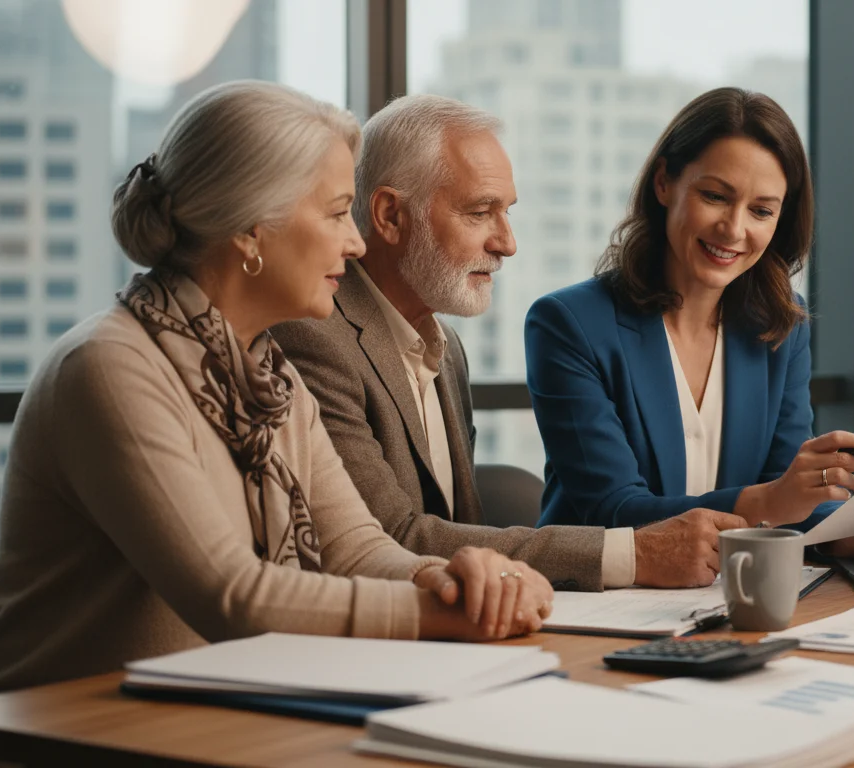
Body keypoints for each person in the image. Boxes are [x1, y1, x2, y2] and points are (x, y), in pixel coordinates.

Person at [0, 82, 551, 698]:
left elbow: (354, 550)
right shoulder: (109, 367)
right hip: (43, 736)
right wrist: (440, 612)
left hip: (197, 719)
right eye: (334, 212)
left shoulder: (269, 377)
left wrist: (467, 582)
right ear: (249, 230)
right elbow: (233, 595)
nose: (354, 241)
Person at [274, 94, 744, 592]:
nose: (507, 242)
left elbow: (460, 538)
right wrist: (634, 553)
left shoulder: (446, 348)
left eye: (507, 213)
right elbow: (387, 542)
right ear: (390, 215)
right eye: (480, 213)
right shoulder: (314, 340)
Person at [525, 87, 854, 557]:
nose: (734, 229)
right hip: (598, 605)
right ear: (664, 183)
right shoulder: (569, 324)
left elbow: (791, 505)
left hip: (735, 596)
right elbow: (612, 510)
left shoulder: (781, 329)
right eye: (716, 196)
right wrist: (770, 500)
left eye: (761, 210)